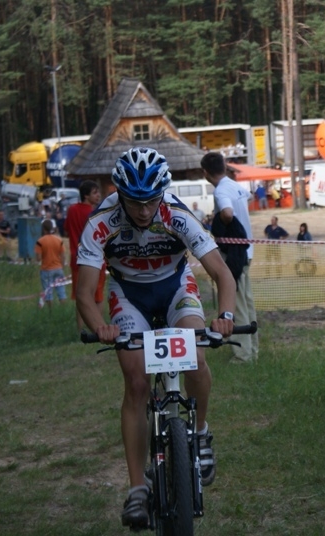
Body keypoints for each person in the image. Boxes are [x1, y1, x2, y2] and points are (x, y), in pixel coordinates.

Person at [76, 148, 237, 529]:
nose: (144, 210)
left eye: (151, 201)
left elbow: (222, 274)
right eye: (135, 202)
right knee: (136, 382)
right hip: (128, 295)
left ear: (162, 194)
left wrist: (226, 316)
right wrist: (101, 326)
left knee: (196, 355)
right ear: (120, 194)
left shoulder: (176, 215)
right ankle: (137, 489)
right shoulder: (100, 222)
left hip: (175, 288)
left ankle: (200, 433)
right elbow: (83, 292)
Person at [201, 151, 259, 363]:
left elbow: (227, 213)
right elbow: (247, 199)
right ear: (224, 167)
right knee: (247, 302)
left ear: (205, 172)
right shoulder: (235, 186)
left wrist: (222, 223)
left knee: (236, 304)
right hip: (246, 251)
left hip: (234, 253)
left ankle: (243, 355)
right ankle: (252, 350)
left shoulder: (221, 191)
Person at [64, 180, 105, 332]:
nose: (98, 195)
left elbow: (67, 229)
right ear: (86, 196)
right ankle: (98, 329)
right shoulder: (93, 214)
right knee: (98, 296)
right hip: (94, 259)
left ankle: (80, 329)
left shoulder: (71, 210)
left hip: (75, 258)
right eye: (95, 192)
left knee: (81, 295)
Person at [35, 219, 67, 308]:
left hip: (46, 269)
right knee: (61, 291)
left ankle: (50, 311)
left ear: (43, 229)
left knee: (48, 293)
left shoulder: (40, 241)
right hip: (58, 268)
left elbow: (38, 258)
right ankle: (63, 309)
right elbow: (63, 256)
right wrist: (62, 266)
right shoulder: (59, 240)